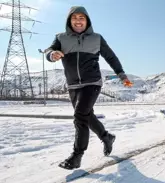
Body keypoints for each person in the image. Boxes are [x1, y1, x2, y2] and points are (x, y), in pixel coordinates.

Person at [45, 6, 132, 170]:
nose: (78, 21)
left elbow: (111, 57)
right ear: (69, 21)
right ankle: (107, 137)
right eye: (74, 17)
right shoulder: (61, 38)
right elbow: (49, 51)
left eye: (81, 18)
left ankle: (77, 156)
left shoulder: (97, 38)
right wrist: (52, 55)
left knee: (79, 116)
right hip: (73, 85)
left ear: (87, 21)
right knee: (87, 116)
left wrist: (122, 75)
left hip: (92, 83)